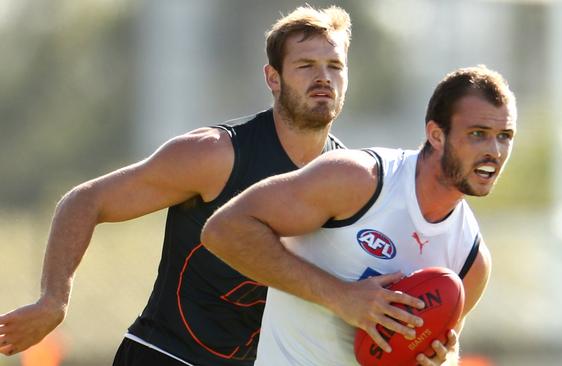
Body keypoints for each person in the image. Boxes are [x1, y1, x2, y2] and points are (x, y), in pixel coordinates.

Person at [1, 5, 361, 366]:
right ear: (273, 78)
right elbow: (86, 200)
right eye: (306, 66)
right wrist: (53, 301)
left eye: (335, 66)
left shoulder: (351, 180)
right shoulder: (215, 155)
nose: (323, 78)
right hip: (164, 356)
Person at [201, 65, 517, 366]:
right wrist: (342, 298)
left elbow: (440, 350)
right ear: (436, 135)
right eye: (478, 133)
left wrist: (437, 359)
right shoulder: (358, 180)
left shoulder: (471, 260)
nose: (495, 151)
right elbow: (224, 230)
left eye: (505, 136)